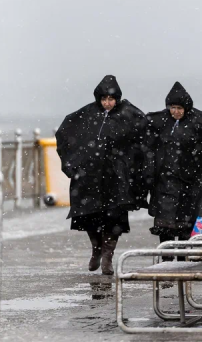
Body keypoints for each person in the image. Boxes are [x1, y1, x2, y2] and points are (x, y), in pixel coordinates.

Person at [56, 75, 148, 275]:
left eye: (111, 99)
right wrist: (71, 164)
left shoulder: (128, 114)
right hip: (89, 176)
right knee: (89, 215)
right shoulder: (86, 114)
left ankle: (108, 256)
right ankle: (96, 248)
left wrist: (133, 167)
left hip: (116, 177)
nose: (107, 103)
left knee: (113, 218)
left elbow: (146, 135)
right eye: (104, 99)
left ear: (117, 99)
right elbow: (64, 133)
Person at [145, 82, 202, 258]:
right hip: (164, 183)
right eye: (172, 108)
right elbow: (142, 141)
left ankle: (182, 260)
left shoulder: (201, 122)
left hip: (190, 184)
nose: (175, 112)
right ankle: (166, 261)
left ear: (186, 108)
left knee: (185, 226)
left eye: (179, 108)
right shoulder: (158, 122)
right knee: (165, 226)